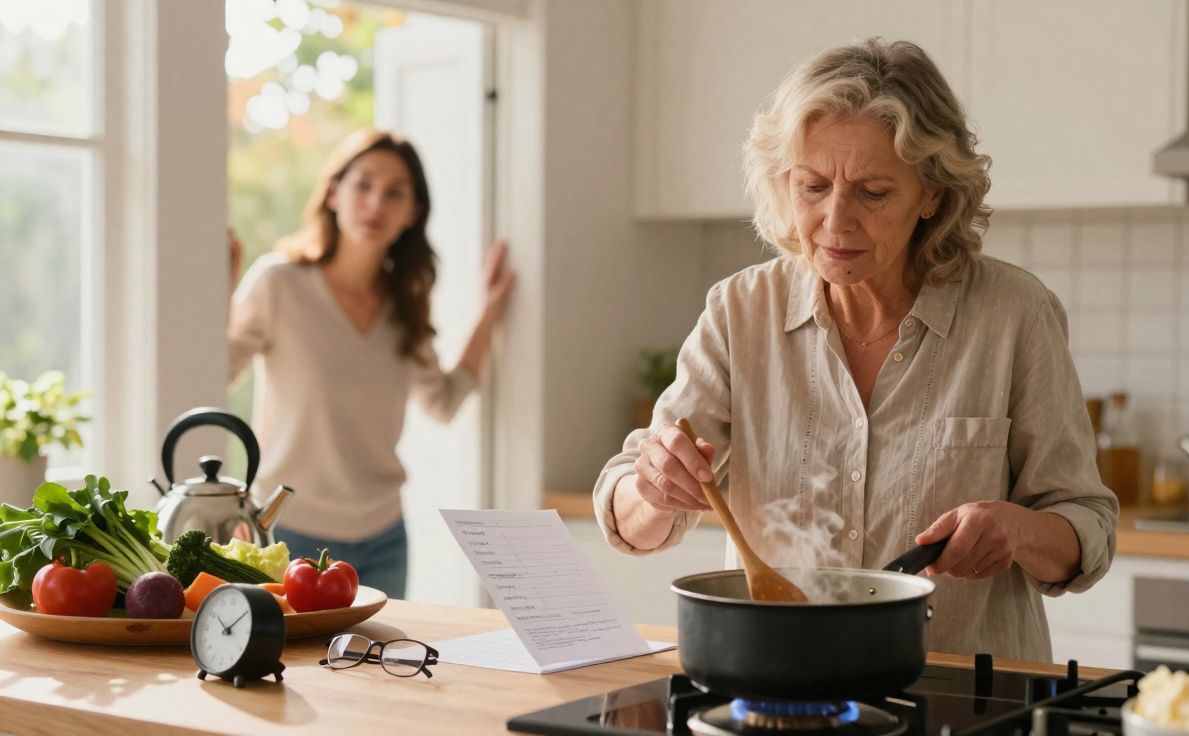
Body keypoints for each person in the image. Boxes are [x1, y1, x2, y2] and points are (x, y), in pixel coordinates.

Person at [593, 39, 1116, 661]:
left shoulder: (1014, 315)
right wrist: (653, 487)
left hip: (961, 696)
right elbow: (630, 508)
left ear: (933, 197)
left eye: (872, 192)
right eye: (812, 187)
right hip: (778, 683)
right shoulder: (740, 312)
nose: (835, 221)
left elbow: (1086, 525)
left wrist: (1019, 530)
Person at [228, 128, 515, 599]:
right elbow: (213, 373)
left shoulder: (405, 304)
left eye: (394, 192)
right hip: (285, 532)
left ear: (412, 213)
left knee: (377, 671)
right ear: (334, 193)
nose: (375, 203)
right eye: (362, 185)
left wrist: (489, 317)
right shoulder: (278, 284)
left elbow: (442, 402)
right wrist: (220, 291)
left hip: (383, 538)